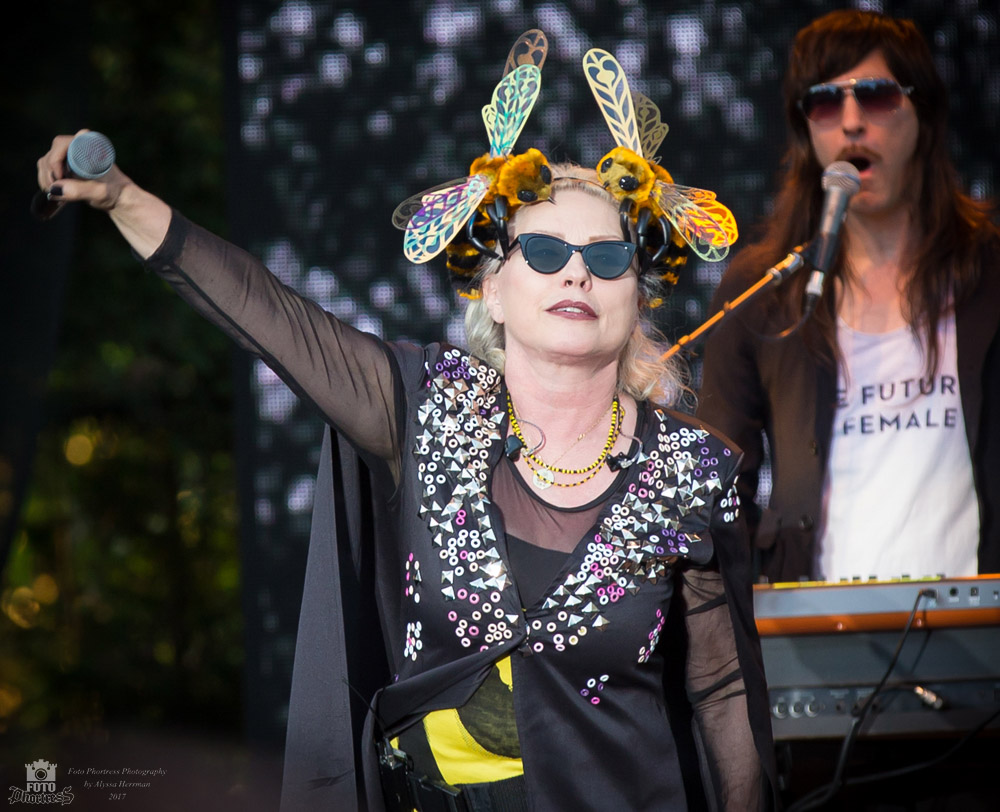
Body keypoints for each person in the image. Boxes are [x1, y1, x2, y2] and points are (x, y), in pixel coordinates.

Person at [34, 46, 776, 812]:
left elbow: (723, 696)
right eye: (547, 251)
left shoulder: (695, 468)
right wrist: (122, 197)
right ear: (493, 286)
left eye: (608, 256)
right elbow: (270, 315)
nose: (576, 274)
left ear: (639, 294)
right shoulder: (427, 406)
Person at [697, 9, 1000, 585]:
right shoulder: (764, 291)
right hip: (818, 638)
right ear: (806, 129)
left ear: (924, 114)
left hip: (982, 630)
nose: (853, 122)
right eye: (825, 102)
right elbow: (716, 483)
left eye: (877, 95)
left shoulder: (992, 270)